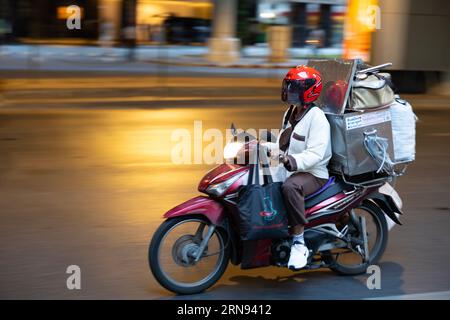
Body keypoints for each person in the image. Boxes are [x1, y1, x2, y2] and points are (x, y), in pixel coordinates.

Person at [264, 65, 332, 270]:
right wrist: (259, 146)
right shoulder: (290, 113)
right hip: (291, 167)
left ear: (309, 91)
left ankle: (299, 242)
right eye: (289, 88)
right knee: (259, 178)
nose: (290, 92)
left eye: (295, 89)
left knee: (290, 187)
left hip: (313, 173)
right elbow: (282, 144)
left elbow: (316, 154)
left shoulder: (317, 117)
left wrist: (290, 161)